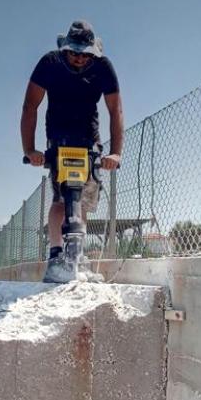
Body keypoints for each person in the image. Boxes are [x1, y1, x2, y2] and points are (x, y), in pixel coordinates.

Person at [21, 20, 124, 274]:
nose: (79, 58)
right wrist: (30, 150)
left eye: (85, 54)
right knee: (61, 198)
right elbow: (30, 106)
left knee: (82, 201)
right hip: (59, 140)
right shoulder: (50, 63)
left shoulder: (103, 67)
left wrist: (115, 153)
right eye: (74, 53)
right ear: (65, 48)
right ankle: (56, 255)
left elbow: (115, 110)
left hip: (89, 141)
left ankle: (76, 256)